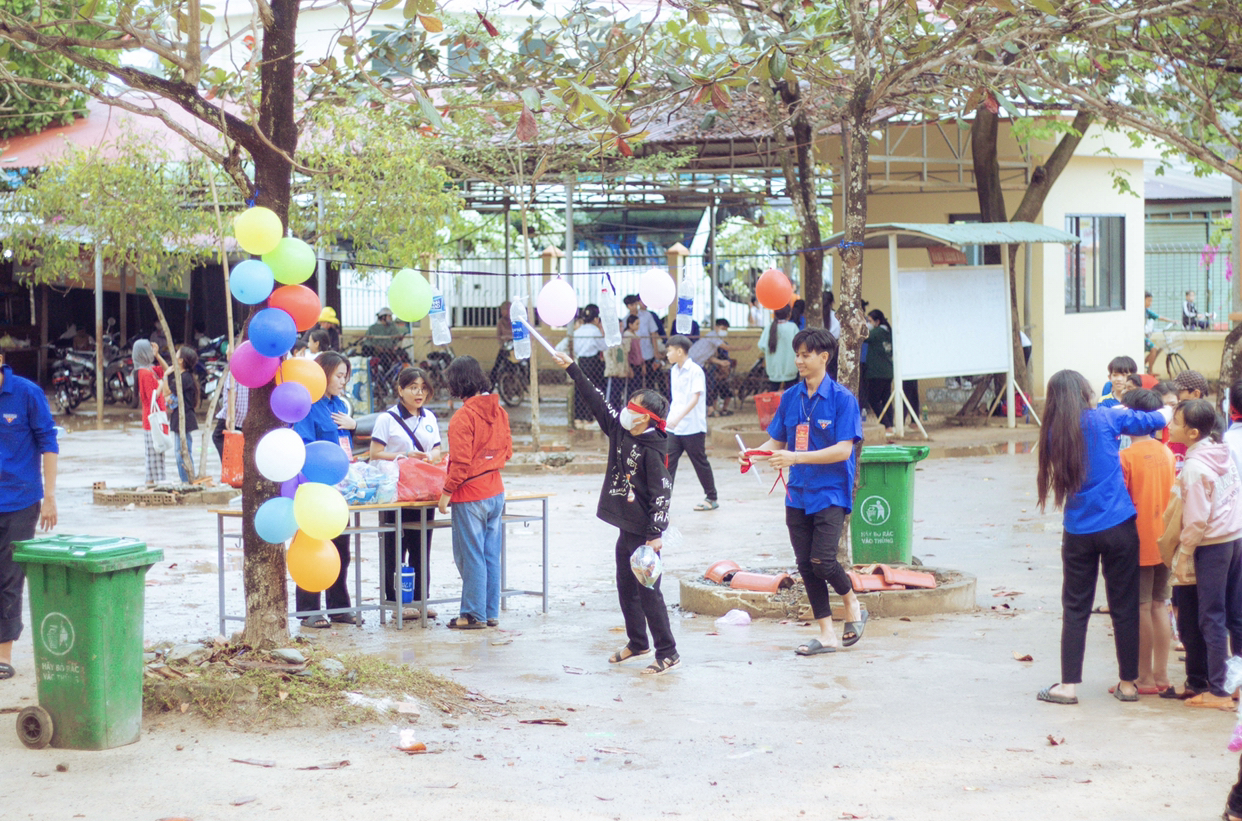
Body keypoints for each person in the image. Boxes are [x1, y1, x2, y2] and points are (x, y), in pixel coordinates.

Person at [1034, 369, 1172, 706]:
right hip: (1119, 526)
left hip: (1079, 531)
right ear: (1084, 393)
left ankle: (1068, 687)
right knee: (1124, 605)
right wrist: (1148, 408)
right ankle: (1128, 684)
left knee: (1076, 608)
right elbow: (1159, 417)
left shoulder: (1053, 433)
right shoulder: (1106, 419)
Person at [551, 349, 680, 675]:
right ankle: (638, 642)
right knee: (625, 586)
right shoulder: (620, 430)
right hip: (626, 529)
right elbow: (596, 399)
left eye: (633, 409)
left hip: (644, 536)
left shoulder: (654, 452)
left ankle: (668, 651)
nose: (624, 412)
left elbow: (662, 495)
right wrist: (572, 368)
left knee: (649, 591)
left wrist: (655, 536)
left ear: (646, 419)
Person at [741, 327, 867, 656]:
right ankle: (826, 634)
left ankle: (852, 601)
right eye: (797, 354)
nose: (798, 360)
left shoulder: (843, 399)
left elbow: (842, 450)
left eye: (805, 355)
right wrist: (756, 453)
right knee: (806, 564)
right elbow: (777, 442)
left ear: (824, 357)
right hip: (797, 492)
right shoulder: (791, 398)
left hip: (830, 492)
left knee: (823, 560)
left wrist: (795, 457)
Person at [1166, 398, 1242, 708]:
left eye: (1176, 422)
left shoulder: (1195, 466)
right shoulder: (1221, 450)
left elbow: (1196, 519)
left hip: (1212, 544)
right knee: (1232, 614)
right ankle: (1226, 683)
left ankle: (1219, 692)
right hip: (1235, 537)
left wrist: (1184, 553)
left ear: (1193, 432)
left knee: (1211, 617)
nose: (1169, 426)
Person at [439, 356, 512, 630]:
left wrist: (446, 493)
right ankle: (489, 612)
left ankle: (471, 614)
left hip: (470, 495)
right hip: (496, 490)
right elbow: (508, 451)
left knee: (471, 557)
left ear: (457, 383)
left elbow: (460, 464)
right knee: (490, 555)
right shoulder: (500, 412)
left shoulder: (463, 417)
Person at [0, 351, 58, 680]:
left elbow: (49, 443)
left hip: (20, 501)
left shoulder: (26, 394)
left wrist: (50, 497)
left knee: (9, 577)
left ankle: (4, 656)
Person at [292, 352, 358, 628]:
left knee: (341, 550)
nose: (343, 382)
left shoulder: (339, 405)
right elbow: (305, 445)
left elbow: (346, 444)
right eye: (339, 376)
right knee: (313, 546)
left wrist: (353, 426)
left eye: (346, 376)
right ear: (323, 373)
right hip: (314, 488)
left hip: (339, 489)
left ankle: (339, 606)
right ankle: (308, 609)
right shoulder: (307, 406)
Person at [370, 367, 442, 620]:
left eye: (422, 387)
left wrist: (430, 457)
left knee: (421, 545)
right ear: (400, 390)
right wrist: (404, 456)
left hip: (423, 491)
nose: (418, 392)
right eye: (413, 387)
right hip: (395, 491)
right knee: (394, 546)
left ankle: (421, 600)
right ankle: (394, 601)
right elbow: (375, 453)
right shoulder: (387, 419)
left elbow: (437, 450)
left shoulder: (429, 417)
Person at [1118, 388, 1176, 696]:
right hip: (1165, 541)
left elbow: (1122, 502)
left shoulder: (1125, 457)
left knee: (1140, 608)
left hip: (1138, 543)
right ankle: (1162, 674)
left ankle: (1142, 677)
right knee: (1160, 605)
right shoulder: (1166, 452)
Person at [664, 335, 718, 512]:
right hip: (674, 427)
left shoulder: (695, 370)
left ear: (680, 351)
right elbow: (676, 399)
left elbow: (695, 398)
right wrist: (671, 419)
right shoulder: (674, 370)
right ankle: (662, 498)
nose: (667, 354)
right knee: (668, 461)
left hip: (692, 426)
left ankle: (711, 497)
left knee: (699, 461)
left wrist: (678, 418)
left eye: (670, 350)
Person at [160, 345, 200, 484]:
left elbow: (166, 393)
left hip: (184, 420)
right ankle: (187, 480)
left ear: (181, 360)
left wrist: (164, 377)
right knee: (182, 452)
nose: (174, 356)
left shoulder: (184, 378)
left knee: (183, 453)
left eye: (177, 354)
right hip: (181, 419)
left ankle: (187, 481)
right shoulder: (183, 376)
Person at [133, 339, 168, 485]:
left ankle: (152, 484)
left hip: (154, 419)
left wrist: (158, 355)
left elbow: (167, 370)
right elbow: (151, 395)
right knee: (155, 457)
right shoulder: (145, 373)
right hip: (152, 420)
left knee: (155, 456)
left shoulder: (150, 369)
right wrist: (161, 384)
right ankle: (154, 486)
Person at [571, 304, 607, 426]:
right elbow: (603, 346)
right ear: (596, 319)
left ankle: (578, 418)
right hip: (593, 363)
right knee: (592, 390)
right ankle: (588, 418)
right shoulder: (595, 331)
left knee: (579, 389)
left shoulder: (578, 331)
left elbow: (574, 348)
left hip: (580, 362)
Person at [862, 309, 895, 439]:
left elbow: (864, 336)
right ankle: (890, 425)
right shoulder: (888, 332)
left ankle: (886, 424)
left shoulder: (876, 332)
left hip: (877, 372)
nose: (868, 323)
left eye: (869, 321)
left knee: (873, 399)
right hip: (887, 371)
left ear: (877, 321)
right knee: (886, 399)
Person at [623, 294, 662, 392]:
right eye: (630, 305)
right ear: (627, 306)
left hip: (648, 353)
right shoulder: (625, 320)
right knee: (635, 383)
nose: (633, 307)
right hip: (634, 358)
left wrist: (656, 353)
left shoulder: (647, 315)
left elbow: (653, 333)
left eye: (635, 304)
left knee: (650, 381)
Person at [757, 305, 798, 391]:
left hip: (773, 369)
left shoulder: (769, 327)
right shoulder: (792, 327)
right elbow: (799, 345)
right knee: (791, 395)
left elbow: (761, 345)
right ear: (789, 314)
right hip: (790, 369)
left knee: (773, 394)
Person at [211, 376, 249, 461]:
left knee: (218, 437)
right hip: (245, 413)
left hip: (234, 413)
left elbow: (232, 392)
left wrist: (228, 416)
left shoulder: (234, 369)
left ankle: (230, 462)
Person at [1144, 291, 1175, 373]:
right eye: (1149, 300)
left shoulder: (1147, 311)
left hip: (1145, 335)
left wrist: (1172, 321)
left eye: (1151, 301)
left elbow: (1159, 317)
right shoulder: (1140, 311)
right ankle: (1150, 371)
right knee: (1153, 349)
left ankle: (1143, 364)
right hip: (1141, 337)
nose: (1150, 303)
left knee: (1153, 350)